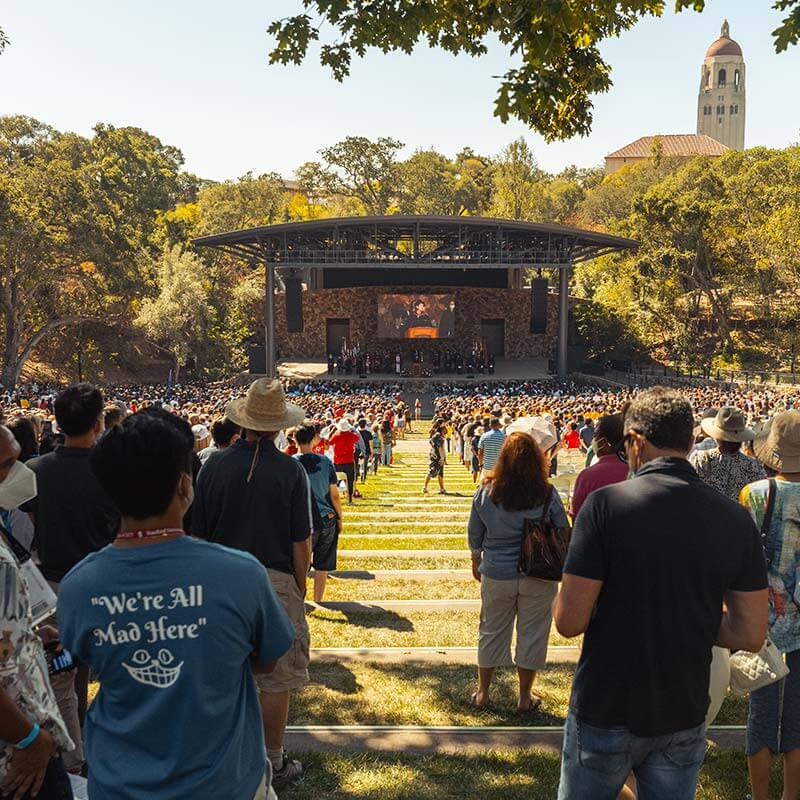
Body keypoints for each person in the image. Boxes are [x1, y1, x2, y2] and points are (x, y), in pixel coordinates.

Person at [58, 408, 293, 800]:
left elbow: (76, 660)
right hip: (225, 783)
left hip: (120, 784)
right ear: (185, 486)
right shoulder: (240, 574)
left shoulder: (79, 586)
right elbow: (267, 661)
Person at [554, 387, 769, 800]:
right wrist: (693, 616)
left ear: (634, 441)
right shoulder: (734, 519)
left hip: (607, 702)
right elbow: (749, 634)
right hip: (683, 705)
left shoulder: (603, 507)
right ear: (690, 442)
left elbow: (569, 621)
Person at [191, 378, 311, 789]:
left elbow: (199, 533)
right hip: (274, 579)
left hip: (219, 578)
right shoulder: (291, 471)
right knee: (276, 678)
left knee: (224, 671)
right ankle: (273, 761)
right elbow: (301, 541)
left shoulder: (213, 466)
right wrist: (299, 584)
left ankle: (224, 755)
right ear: (278, 426)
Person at [23, 384, 121, 775]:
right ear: (98, 423)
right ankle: (102, 748)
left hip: (51, 588)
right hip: (102, 588)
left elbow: (28, 528)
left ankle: (73, 760)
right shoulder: (113, 472)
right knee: (110, 672)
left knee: (62, 676)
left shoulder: (35, 472)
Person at [468, 431, 569, 713]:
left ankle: (483, 693)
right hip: (537, 572)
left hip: (497, 570)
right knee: (533, 633)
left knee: (490, 630)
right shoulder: (546, 493)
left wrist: (476, 558)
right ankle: (524, 697)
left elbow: (475, 531)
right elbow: (561, 527)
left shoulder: (486, 490)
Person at [0, 424, 74, 800]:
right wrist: (30, 739)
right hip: (18, 748)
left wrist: (27, 630)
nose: (20, 471)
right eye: (8, 464)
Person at [740, 411, 800, 800]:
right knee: (797, 719)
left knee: (760, 717)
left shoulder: (755, 494)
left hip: (763, 621)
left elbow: (741, 560)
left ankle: (760, 795)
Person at [294, 424, 343, 603]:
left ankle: (300, 599)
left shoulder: (291, 463)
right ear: (314, 439)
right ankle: (318, 599)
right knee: (323, 564)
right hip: (326, 517)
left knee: (300, 563)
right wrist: (340, 517)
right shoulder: (325, 462)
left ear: (294, 439)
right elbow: (335, 495)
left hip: (301, 518)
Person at [688, 406, 765, 500]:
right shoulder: (754, 466)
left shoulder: (699, 459)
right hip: (739, 513)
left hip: (706, 512)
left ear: (717, 436)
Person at [570, 414, 628, 518]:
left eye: (595, 436)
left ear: (604, 442)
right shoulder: (638, 470)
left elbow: (577, 517)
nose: (593, 440)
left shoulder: (588, 477)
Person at [329, 419, 360, 504]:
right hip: (349, 461)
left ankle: (332, 497)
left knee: (334, 480)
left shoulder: (337, 435)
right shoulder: (352, 435)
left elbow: (330, 442)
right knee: (350, 480)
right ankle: (349, 499)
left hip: (338, 461)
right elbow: (357, 437)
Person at [422, 421, 447, 495]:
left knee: (440, 473)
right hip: (437, 456)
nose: (446, 430)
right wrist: (442, 458)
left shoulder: (436, 435)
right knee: (431, 471)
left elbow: (431, 442)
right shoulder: (438, 436)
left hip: (435, 454)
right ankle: (425, 487)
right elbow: (439, 448)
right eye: (445, 429)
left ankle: (442, 488)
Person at [357, 419, 372, 483]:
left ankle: (357, 477)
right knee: (364, 465)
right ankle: (363, 479)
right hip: (367, 450)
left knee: (358, 465)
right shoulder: (368, 433)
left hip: (358, 451)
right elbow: (371, 443)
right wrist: (372, 452)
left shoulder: (356, 433)